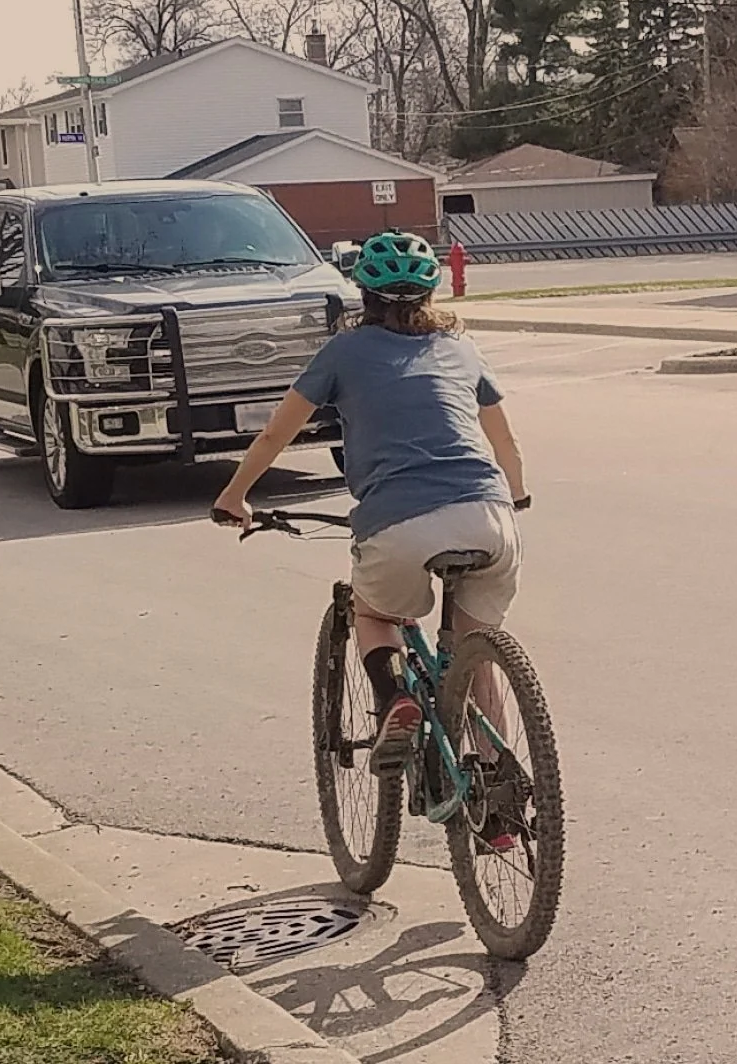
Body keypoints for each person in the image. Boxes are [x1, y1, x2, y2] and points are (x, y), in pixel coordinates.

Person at [212, 230, 529, 788]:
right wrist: (518, 494)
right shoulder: (461, 347)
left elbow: (275, 435)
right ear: (430, 293)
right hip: (489, 514)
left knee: (376, 614)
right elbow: (505, 442)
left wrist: (233, 496)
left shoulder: (343, 351)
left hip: (399, 522)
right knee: (475, 655)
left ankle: (393, 699)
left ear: (362, 293)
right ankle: (500, 791)